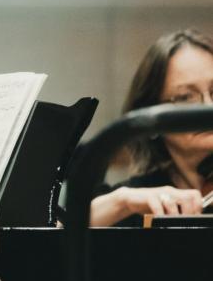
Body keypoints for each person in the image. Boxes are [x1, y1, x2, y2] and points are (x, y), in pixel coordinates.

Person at [90, 28, 212, 227]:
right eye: (185, 97)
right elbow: (55, 239)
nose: (208, 107)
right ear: (151, 119)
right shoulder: (140, 198)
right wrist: (121, 202)